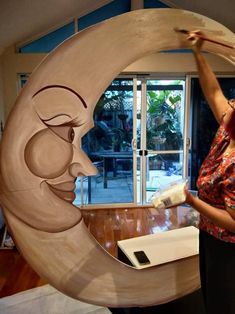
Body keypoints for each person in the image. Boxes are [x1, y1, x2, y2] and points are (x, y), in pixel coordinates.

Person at [184, 31, 235, 314]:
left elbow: (234, 222)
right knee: (210, 297)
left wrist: (192, 202)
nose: (231, 105)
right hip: (210, 236)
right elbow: (213, 91)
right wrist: (197, 52)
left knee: (223, 304)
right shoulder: (229, 125)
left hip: (229, 249)